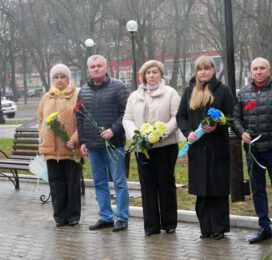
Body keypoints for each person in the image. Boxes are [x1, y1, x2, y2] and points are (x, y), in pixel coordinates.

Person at [233, 57, 272, 245]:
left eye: (262, 68)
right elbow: (235, 119)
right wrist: (242, 132)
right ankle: (264, 227)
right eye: (255, 69)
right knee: (258, 190)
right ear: (250, 71)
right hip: (253, 152)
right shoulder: (242, 93)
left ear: (269, 70)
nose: (258, 71)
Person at [176, 56, 234, 240]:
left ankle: (219, 227)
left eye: (207, 68)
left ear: (213, 70)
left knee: (217, 189)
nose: (203, 72)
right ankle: (205, 228)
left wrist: (218, 126)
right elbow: (181, 116)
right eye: (200, 69)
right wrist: (188, 132)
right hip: (197, 150)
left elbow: (233, 116)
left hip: (217, 149)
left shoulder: (223, 91)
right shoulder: (188, 92)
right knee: (202, 191)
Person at [123, 60, 180, 236]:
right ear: (143, 75)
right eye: (148, 72)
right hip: (142, 148)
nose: (152, 75)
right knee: (147, 186)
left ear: (161, 74)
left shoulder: (170, 93)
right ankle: (151, 225)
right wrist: (136, 135)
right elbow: (127, 118)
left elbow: (176, 117)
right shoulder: (134, 96)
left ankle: (169, 223)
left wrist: (159, 133)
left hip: (165, 146)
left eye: (155, 72)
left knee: (165, 184)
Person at [76, 55, 130, 232]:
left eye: (99, 66)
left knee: (119, 182)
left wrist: (113, 129)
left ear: (106, 67)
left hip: (114, 145)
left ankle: (122, 218)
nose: (96, 69)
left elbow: (126, 113)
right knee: (99, 182)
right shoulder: (83, 90)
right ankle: (106, 217)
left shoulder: (119, 87)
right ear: (88, 69)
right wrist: (82, 141)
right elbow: (80, 117)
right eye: (92, 67)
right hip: (93, 146)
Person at [38, 64, 82, 227]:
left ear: (68, 78)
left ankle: (73, 216)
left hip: (70, 149)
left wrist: (75, 139)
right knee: (56, 184)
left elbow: (82, 121)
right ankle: (59, 216)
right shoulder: (46, 97)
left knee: (72, 183)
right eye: (56, 77)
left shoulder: (76, 95)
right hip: (51, 151)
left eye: (63, 77)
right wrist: (43, 138)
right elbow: (41, 120)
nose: (59, 80)